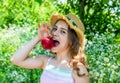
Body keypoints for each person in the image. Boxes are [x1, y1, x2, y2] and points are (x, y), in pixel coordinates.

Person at [11, 13, 89, 83]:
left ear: (72, 41)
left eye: (63, 31)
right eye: (55, 28)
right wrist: (38, 38)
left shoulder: (78, 70)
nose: (55, 33)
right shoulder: (47, 61)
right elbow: (16, 59)